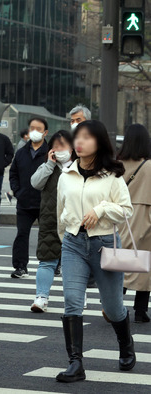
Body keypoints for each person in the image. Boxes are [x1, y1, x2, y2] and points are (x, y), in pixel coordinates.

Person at [56, 120, 135, 382]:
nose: (79, 142)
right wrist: (64, 239)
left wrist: (101, 209)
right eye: (77, 137)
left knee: (112, 308)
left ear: (99, 142)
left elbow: (125, 210)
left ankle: (126, 345)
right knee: (72, 303)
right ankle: (75, 363)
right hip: (73, 244)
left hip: (105, 245)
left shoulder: (111, 176)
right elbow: (61, 213)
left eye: (87, 138)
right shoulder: (66, 175)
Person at [29, 130, 75, 312]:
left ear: (72, 148)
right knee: (46, 260)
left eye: (62, 146)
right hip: (50, 220)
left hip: (74, 221)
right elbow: (35, 183)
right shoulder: (48, 167)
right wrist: (49, 164)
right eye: (55, 146)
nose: (58, 150)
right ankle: (41, 298)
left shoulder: (80, 167)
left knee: (74, 263)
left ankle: (78, 296)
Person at [117, 124, 151, 323]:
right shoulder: (149, 165)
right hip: (146, 218)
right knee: (144, 265)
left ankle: (113, 305)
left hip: (123, 217)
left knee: (122, 262)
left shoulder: (117, 164)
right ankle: (140, 311)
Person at [9, 117, 49, 278]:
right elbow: (13, 174)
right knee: (21, 235)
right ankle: (20, 266)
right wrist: (17, 191)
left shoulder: (50, 152)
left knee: (47, 236)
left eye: (38, 129)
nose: (34, 131)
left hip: (45, 202)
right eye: (32, 128)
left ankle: (52, 264)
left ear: (45, 132)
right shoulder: (21, 152)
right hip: (24, 202)